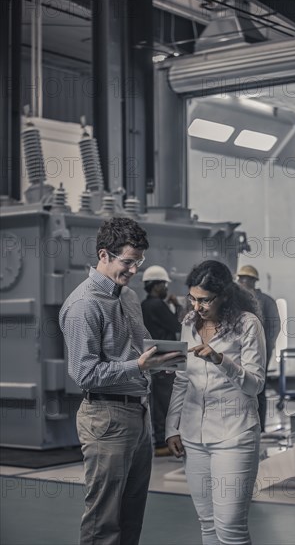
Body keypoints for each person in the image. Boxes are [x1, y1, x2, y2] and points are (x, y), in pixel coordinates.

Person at [59, 217, 185, 545]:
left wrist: (163, 362)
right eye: (127, 262)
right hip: (106, 419)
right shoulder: (84, 305)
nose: (133, 270)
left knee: (131, 513)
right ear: (104, 255)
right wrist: (138, 367)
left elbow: (140, 349)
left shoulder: (127, 297)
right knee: (104, 517)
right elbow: (84, 373)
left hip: (137, 415)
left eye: (138, 262)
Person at [166, 260, 266, 545]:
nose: (196, 306)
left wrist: (221, 360)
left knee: (231, 531)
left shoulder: (247, 325)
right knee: (207, 526)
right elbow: (182, 379)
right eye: (192, 298)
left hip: (234, 435)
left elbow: (255, 384)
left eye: (204, 300)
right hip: (193, 436)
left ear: (224, 295)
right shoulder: (189, 324)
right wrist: (171, 428)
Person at [141, 265, 182, 456]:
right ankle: (168, 440)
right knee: (169, 401)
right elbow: (176, 325)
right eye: (164, 284)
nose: (166, 288)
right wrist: (178, 306)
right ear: (157, 286)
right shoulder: (158, 305)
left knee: (157, 401)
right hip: (167, 358)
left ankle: (159, 441)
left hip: (152, 357)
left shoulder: (143, 305)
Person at [236, 265, 281, 432]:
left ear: (254, 281)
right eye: (240, 279)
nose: (242, 281)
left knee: (258, 387)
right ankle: (242, 427)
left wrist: (266, 348)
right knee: (238, 386)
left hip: (260, 350)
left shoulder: (266, 301)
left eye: (246, 279)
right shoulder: (235, 300)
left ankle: (259, 427)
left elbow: (274, 328)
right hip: (238, 348)